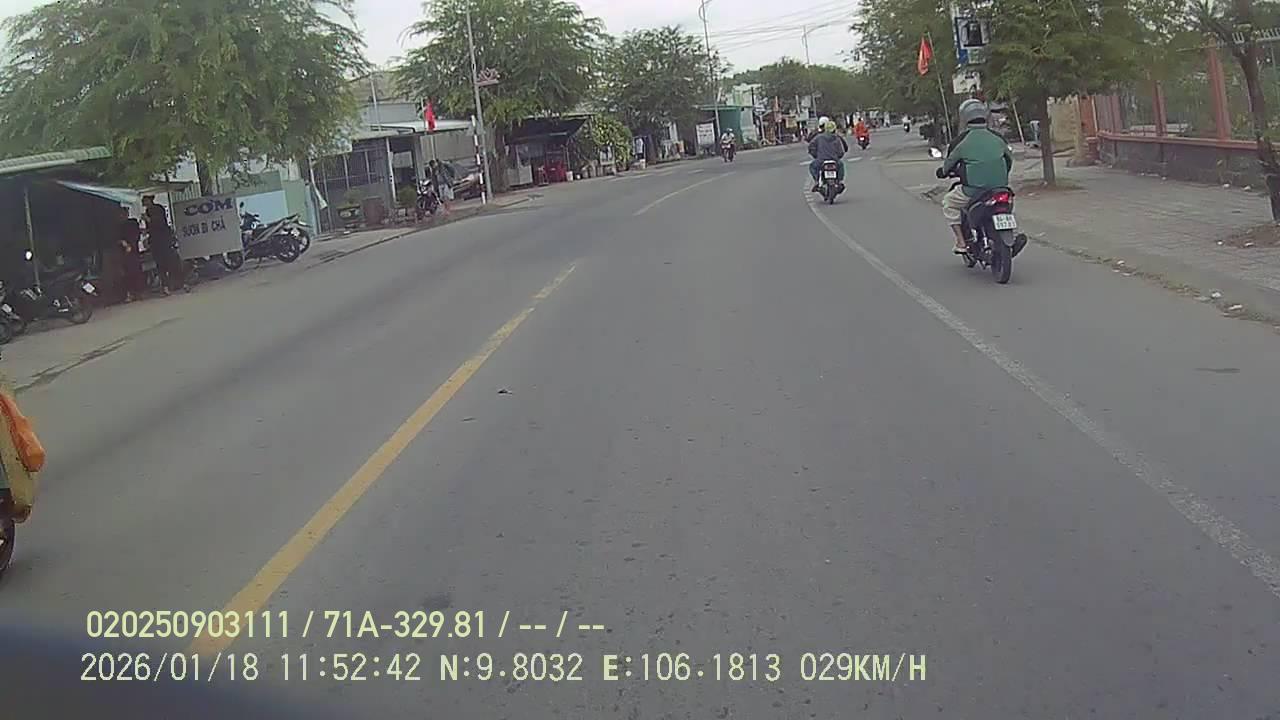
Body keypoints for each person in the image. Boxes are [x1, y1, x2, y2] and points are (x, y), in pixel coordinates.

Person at [936, 99, 1013, 253]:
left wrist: (942, 172)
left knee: (949, 203)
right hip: (1000, 188)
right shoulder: (998, 137)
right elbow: (1009, 160)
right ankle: (1013, 234)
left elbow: (948, 164)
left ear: (964, 117)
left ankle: (961, 242)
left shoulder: (960, 141)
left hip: (973, 191)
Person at [142, 195, 184, 294]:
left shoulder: (158, 209)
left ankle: (176, 282)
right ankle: (165, 285)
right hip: (155, 242)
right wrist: (146, 231)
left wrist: (148, 219)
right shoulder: (148, 211)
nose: (143, 203)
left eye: (145, 201)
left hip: (163, 240)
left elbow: (159, 223)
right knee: (160, 264)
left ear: (150, 200)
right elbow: (151, 227)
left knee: (169, 261)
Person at [808, 119, 848, 193]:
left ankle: (816, 181)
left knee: (812, 166)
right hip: (834, 161)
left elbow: (811, 146)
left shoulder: (819, 137)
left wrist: (815, 155)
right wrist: (837, 157)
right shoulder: (837, 138)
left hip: (821, 161)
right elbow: (841, 152)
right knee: (841, 165)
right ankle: (839, 181)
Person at [118, 207, 145, 301]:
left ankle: (139, 292)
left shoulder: (132, 223)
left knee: (136, 271)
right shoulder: (118, 226)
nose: (122, 216)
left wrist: (130, 245)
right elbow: (116, 238)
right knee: (127, 273)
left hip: (134, 250)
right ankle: (130, 293)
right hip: (123, 252)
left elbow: (137, 235)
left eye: (124, 214)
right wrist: (123, 242)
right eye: (120, 214)